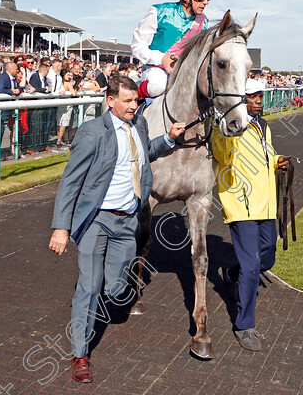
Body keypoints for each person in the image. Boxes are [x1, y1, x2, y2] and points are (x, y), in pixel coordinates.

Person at [49, 75, 185, 383]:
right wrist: (61, 228)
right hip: (97, 219)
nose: (133, 106)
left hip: (127, 221)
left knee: (117, 288)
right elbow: (70, 182)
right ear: (110, 101)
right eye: (127, 101)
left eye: (135, 101)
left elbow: (143, 153)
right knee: (90, 286)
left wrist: (168, 139)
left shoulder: (138, 126)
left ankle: (95, 293)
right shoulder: (92, 132)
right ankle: (80, 354)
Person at [212, 78, 290, 351]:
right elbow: (221, 155)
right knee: (252, 265)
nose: (258, 101)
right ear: (239, 99)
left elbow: (265, 154)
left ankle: (232, 274)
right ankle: (244, 325)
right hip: (241, 204)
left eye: (260, 96)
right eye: (252, 97)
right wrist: (227, 129)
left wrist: (277, 160)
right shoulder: (226, 127)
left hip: (266, 204)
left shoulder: (263, 125)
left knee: (267, 257)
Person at [131, 0, 219, 99]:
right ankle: (133, 94)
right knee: (157, 87)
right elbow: (136, 47)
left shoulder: (204, 21)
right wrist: (162, 59)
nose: (206, 2)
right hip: (155, 69)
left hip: (182, 72)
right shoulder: (159, 12)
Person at [55, 68, 78, 146]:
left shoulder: (60, 82)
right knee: (64, 122)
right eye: (67, 75)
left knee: (59, 121)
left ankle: (60, 139)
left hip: (59, 103)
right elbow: (74, 93)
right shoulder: (67, 83)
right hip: (67, 105)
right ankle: (59, 139)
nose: (69, 76)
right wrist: (77, 87)